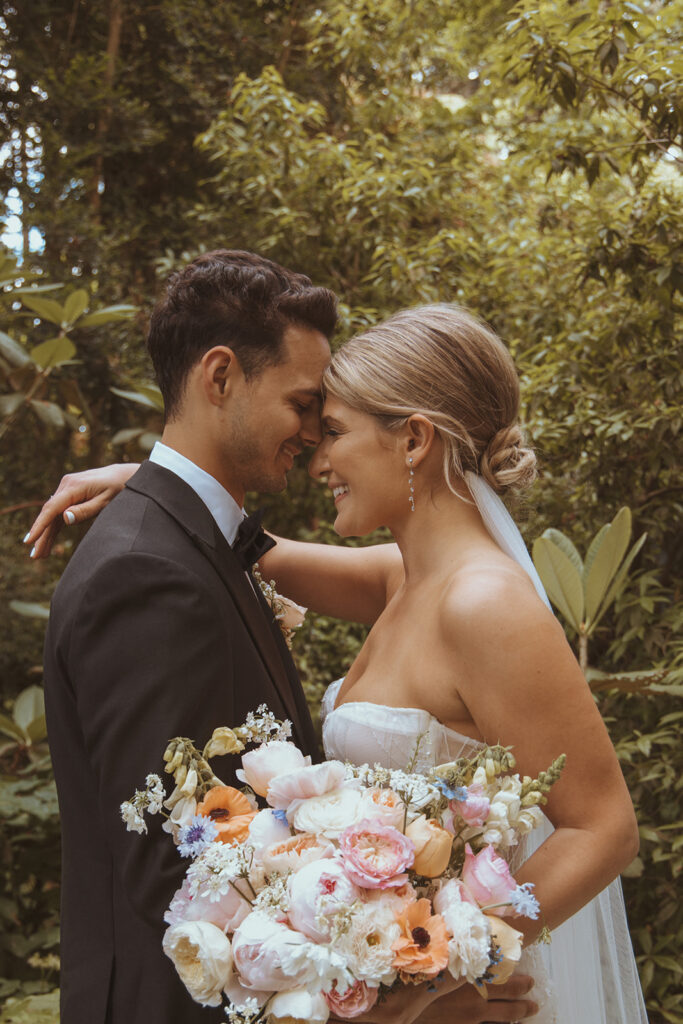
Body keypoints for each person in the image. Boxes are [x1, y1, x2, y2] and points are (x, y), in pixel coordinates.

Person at [34, 254, 538, 1024]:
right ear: (221, 376)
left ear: (414, 439)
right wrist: (405, 1007)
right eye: (305, 406)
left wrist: (152, 480)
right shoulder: (148, 569)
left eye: (331, 423)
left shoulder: (200, 543)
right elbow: (177, 875)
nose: (312, 441)